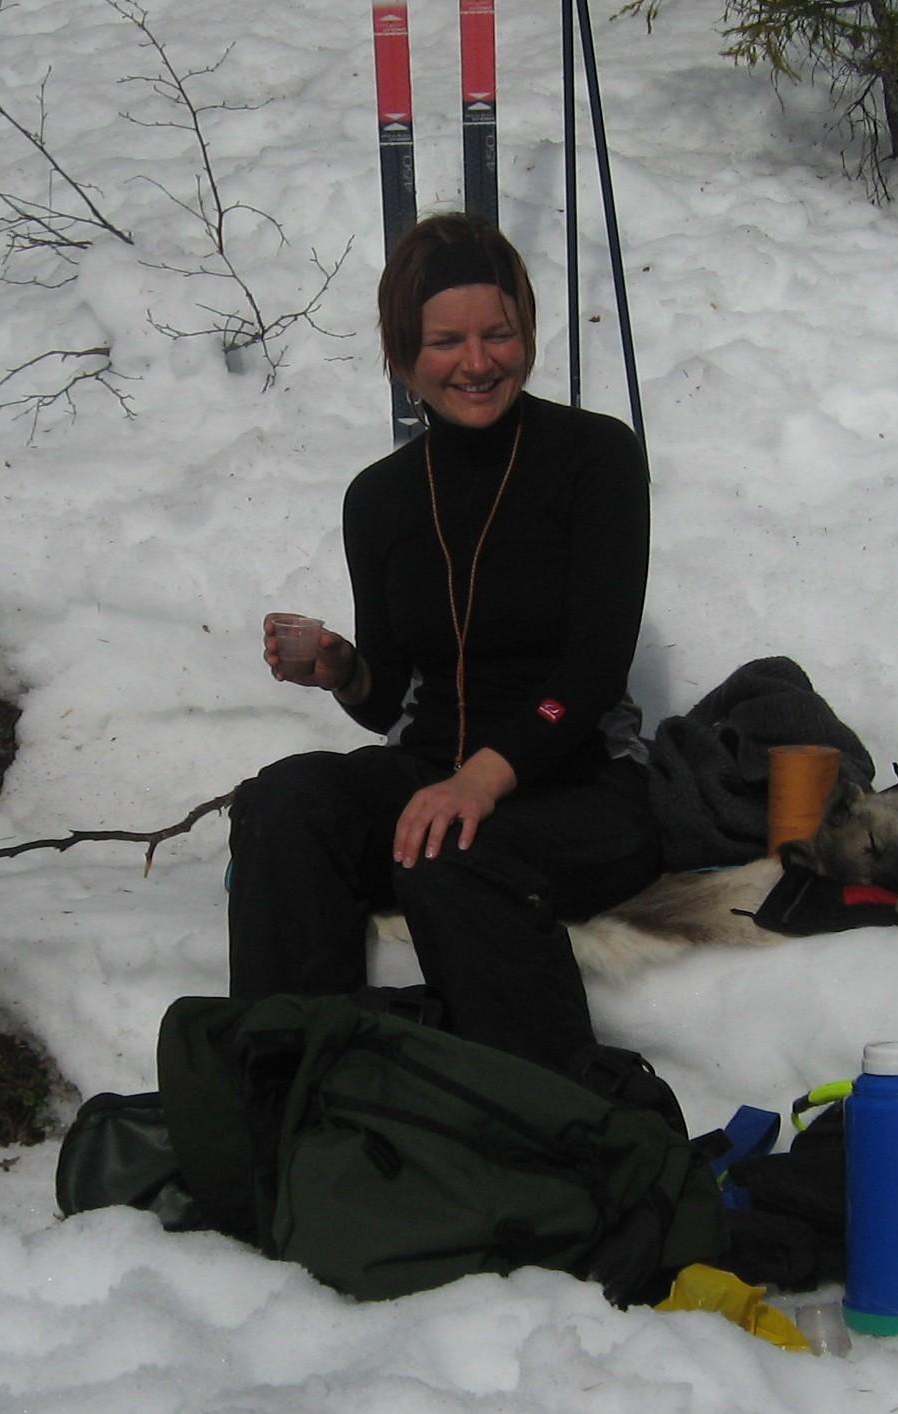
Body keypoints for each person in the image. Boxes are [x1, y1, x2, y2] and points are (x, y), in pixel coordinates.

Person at [227, 213, 661, 1076]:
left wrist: (481, 778)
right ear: (401, 358)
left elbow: (594, 664)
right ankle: (297, 1096)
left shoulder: (594, 459)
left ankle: (555, 1130)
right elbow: (393, 702)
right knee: (283, 802)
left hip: (577, 790)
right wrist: (343, 670)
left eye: (498, 333)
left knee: (455, 858)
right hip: (434, 779)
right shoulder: (380, 500)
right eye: (446, 341)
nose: (477, 362)